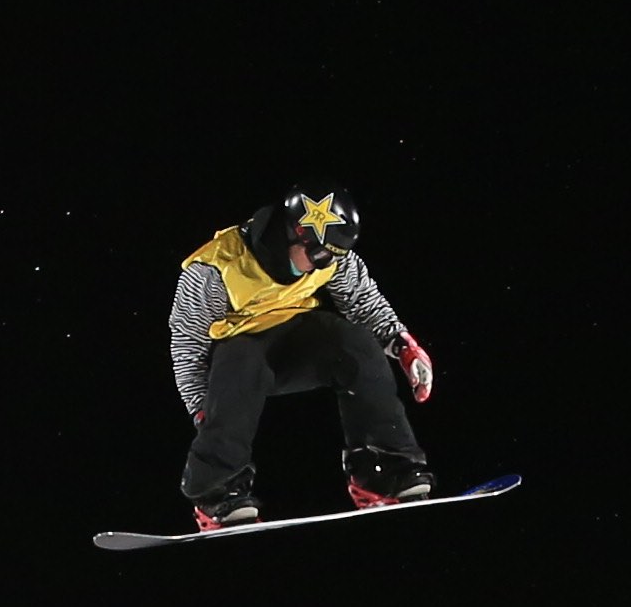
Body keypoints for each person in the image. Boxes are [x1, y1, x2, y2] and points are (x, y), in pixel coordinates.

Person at [168, 192, 435, 532]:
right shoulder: (215, 268)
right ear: (291, 234)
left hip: (297, 341)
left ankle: (384, 470)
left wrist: (403, 345)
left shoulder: (330, 256)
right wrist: (201, 408)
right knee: (240, 358)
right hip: (240, 357)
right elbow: (188, 345)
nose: (325, 264)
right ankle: (216, 492)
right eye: (320, 254)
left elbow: (361, 299)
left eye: (333, 257)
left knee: (354, 342)